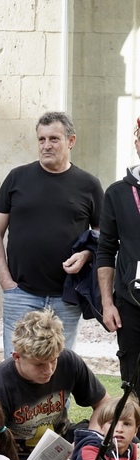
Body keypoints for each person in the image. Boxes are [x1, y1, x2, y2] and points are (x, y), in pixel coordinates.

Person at [0, 111, 104, 354]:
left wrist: (87, 256)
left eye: (54, 139)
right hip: (20, 294)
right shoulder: (17, 178)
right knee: (16, 368)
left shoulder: (89, 185)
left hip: (67, 297)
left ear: (71, 141)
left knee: (59, 370)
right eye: (42, 139)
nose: (46, 145)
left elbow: (103, 237)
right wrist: (6, 282)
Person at [0, 309, 107, 460]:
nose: (48, 370)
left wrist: (91, 437)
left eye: (53, 361)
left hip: (63, 445)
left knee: (123, 437)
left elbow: (104, 404)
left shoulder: (69, 361)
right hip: (19, 458)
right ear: (17, 356)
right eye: (39, 364)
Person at [96, 118, 140, 380]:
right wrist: (107, 303)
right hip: (131, 302)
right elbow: (105, 250)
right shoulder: (117, 193)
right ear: (137, 144)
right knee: (133, 386)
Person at [70, 395, 139, 460]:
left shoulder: (137, 452)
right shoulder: (90, 452)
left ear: (135, 430)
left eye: (127, 424)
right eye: (113, 423)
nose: (119, 429)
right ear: (102, 427)